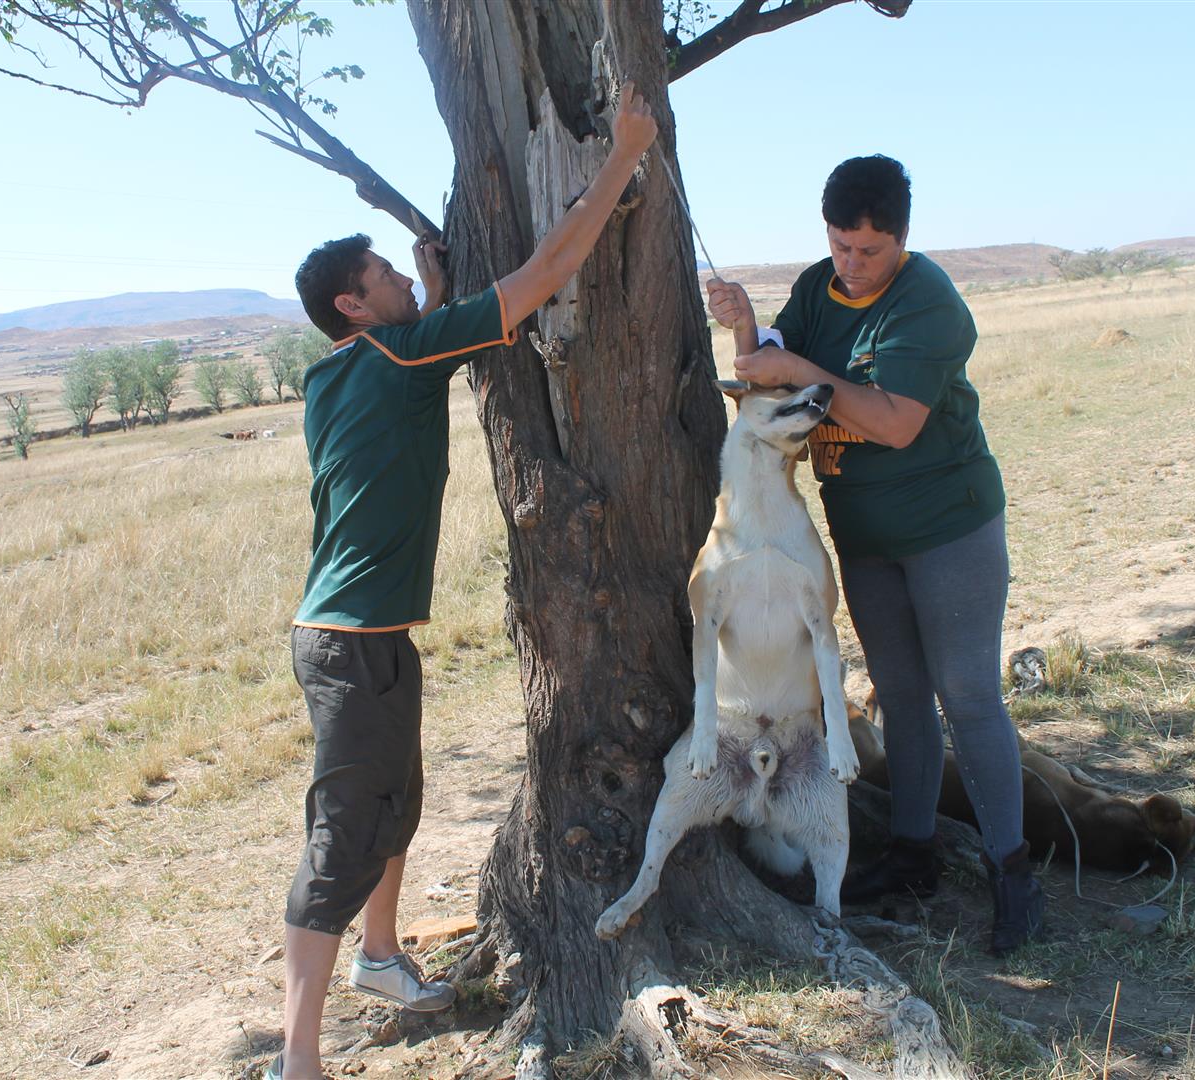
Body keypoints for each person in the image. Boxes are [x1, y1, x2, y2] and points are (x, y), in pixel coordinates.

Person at [273, 85, 657, 1080]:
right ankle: (297, 1060)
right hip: (353, 646)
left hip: (362, 637)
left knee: (398, 801)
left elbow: (414, 361)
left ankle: (383, 955)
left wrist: (431, 296)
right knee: (344, 837)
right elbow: (546, 273)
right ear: (354, 307)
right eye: (384, 278)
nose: (402, 282)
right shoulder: (395, 356)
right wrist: (621, 157)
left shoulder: (344, 374)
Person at [705, 154, 1043, 957]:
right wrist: (746, 327)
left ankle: (1013, 873)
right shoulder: (818, 286)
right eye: (841, 246)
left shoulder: (927, 300)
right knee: (898, 693)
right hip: (863, 531)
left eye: (870, 252)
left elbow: (894, 422)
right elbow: (770, 378)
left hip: (947, 526)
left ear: (902, 238)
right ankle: (913, 854)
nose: (852, 266)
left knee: (967, 694)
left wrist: (798, 368)